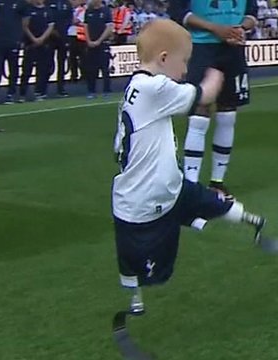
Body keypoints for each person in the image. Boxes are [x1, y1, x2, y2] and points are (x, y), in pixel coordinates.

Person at [112, 19, 266, 312]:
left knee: (205, 199)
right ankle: (135, 301)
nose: (185, 70)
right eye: (184, 62)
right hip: (149, 196)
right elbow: (203, 95)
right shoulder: (155, 88)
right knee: (151, 264)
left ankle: (252, 221)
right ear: (164, 59)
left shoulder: (136, 85)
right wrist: (216, 72)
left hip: (164, 183)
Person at [169, 0, 257, 200]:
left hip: (234, 49)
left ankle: (218, 182)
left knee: (228, 115)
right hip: (201, 48)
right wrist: (216, 29)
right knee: (199, 114)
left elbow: (252, 13)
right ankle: (191, 186)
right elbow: (179, 13)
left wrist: (241, 28)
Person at [19, 0, 55, 102]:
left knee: (43, 69)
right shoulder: (28, 9)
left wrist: (42, 39)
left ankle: (40, 92)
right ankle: (22, 93)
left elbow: (51, 26)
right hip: (30, 44)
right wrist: (33, 39)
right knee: (26, 69)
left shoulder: (48, 10)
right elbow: (25, 26)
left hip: (44, 44)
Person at [83, 0, 113, 98]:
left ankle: (106, 91)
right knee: (91, 69)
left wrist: (99, 41)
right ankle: (91, 91)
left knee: (105, 68)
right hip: (91, 44)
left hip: (103, 44)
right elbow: (85, 26)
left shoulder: (106, 11)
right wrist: (88, 41)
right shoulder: (88, 11)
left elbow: (109, 28)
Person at [48, 0, 73, 97]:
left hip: (63, 37)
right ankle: (41, 89)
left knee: (62, 63)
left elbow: (69, 19)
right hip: (49, 37)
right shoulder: (48, 2)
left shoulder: (66, 4)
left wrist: (63, 30)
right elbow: (47, 18)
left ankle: (61, 88)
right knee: (47, 63)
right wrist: (53, 30)